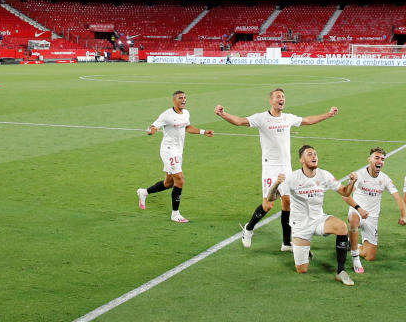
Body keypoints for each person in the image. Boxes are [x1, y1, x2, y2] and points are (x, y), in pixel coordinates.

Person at [214, 88, 338, 251]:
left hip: (286, 167)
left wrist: (328, 114)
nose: (282, 99)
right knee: (268, 205)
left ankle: (286, 243)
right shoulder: (261, 118)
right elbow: (239, 121)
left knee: (287, 202)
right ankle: (249, 228)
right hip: (270, 167)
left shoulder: (288, 118)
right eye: (278, 96)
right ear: (271, 100)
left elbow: (308, 120)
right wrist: (223, 114)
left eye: (284, 97)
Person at [285, 145, 357, 286]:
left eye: (315, 154)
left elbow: (344, 192)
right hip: (300, 225)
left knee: (341, 227)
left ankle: (340, 271)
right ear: (301, 159)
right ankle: (302, 247)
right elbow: (273, 197)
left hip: (318, 219)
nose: (314, 156)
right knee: (302, 270)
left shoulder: (324, 175)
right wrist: (275, 185)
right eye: (309, 154)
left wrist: (351, 182)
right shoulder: (292, 178)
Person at [137, 90, 213, 223]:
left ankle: (144, 192)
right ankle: (175, 214)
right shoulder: (166, 115)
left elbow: (187, 127)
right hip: (168, 150)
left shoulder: (186, 113)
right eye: (180, 98)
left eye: (185, 98)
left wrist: (203, 132)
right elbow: (154, 126)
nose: (183, 100)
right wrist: (152, 130)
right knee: (180, 179)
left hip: (178, 151)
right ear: (174, 100)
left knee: (168, 183)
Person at [343, 147, 406, 274]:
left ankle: (350, 243)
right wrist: (359, 209)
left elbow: (398, 198)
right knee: (353, 220)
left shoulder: (385, 179)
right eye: (376, 158)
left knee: (370, 256)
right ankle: (355, 259)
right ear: (369, 160)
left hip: (372, 218)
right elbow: (346, 196)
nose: (380, 161)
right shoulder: (359, 175)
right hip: (357, 212)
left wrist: (404, 215)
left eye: (382, 159)